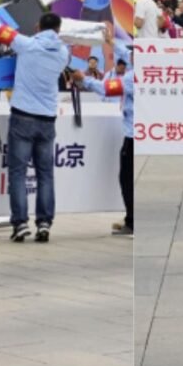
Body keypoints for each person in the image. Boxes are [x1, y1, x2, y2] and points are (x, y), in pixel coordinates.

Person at [0, 0, 69, 243]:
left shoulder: (26, 44)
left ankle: (20, 224)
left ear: (37, 27)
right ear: (58, 30)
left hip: (23, 117)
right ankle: (44, 223)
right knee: (45, 174)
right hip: (47, 120)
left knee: (18, 173)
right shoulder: (63, 53)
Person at [73, 37, 133, 236]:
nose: (129, 57)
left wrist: (84, 80)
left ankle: (133, 221)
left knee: (127, 179)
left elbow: (107, 88)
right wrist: (111, 41)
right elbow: (126, 53)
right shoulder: (149, 70)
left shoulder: (132, 78)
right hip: (142, 133)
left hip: (133, 136)